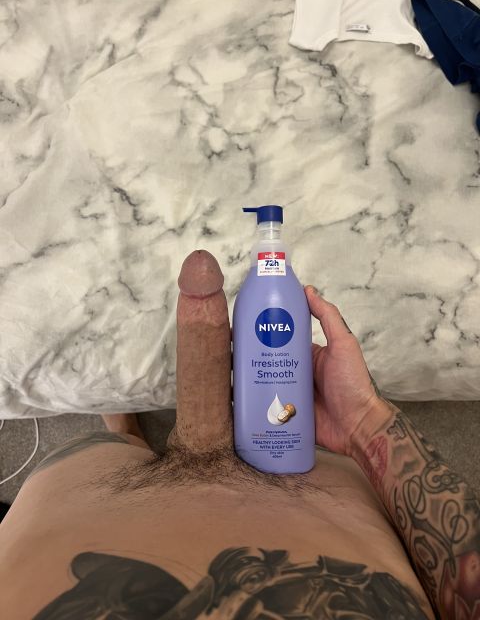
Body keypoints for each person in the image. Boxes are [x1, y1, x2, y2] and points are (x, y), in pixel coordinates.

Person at [0, 250, 478, 620]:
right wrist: (363, 422)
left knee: (109, 450)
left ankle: (127, 437)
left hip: (85, 502)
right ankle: (144, 436)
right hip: (325, 502)